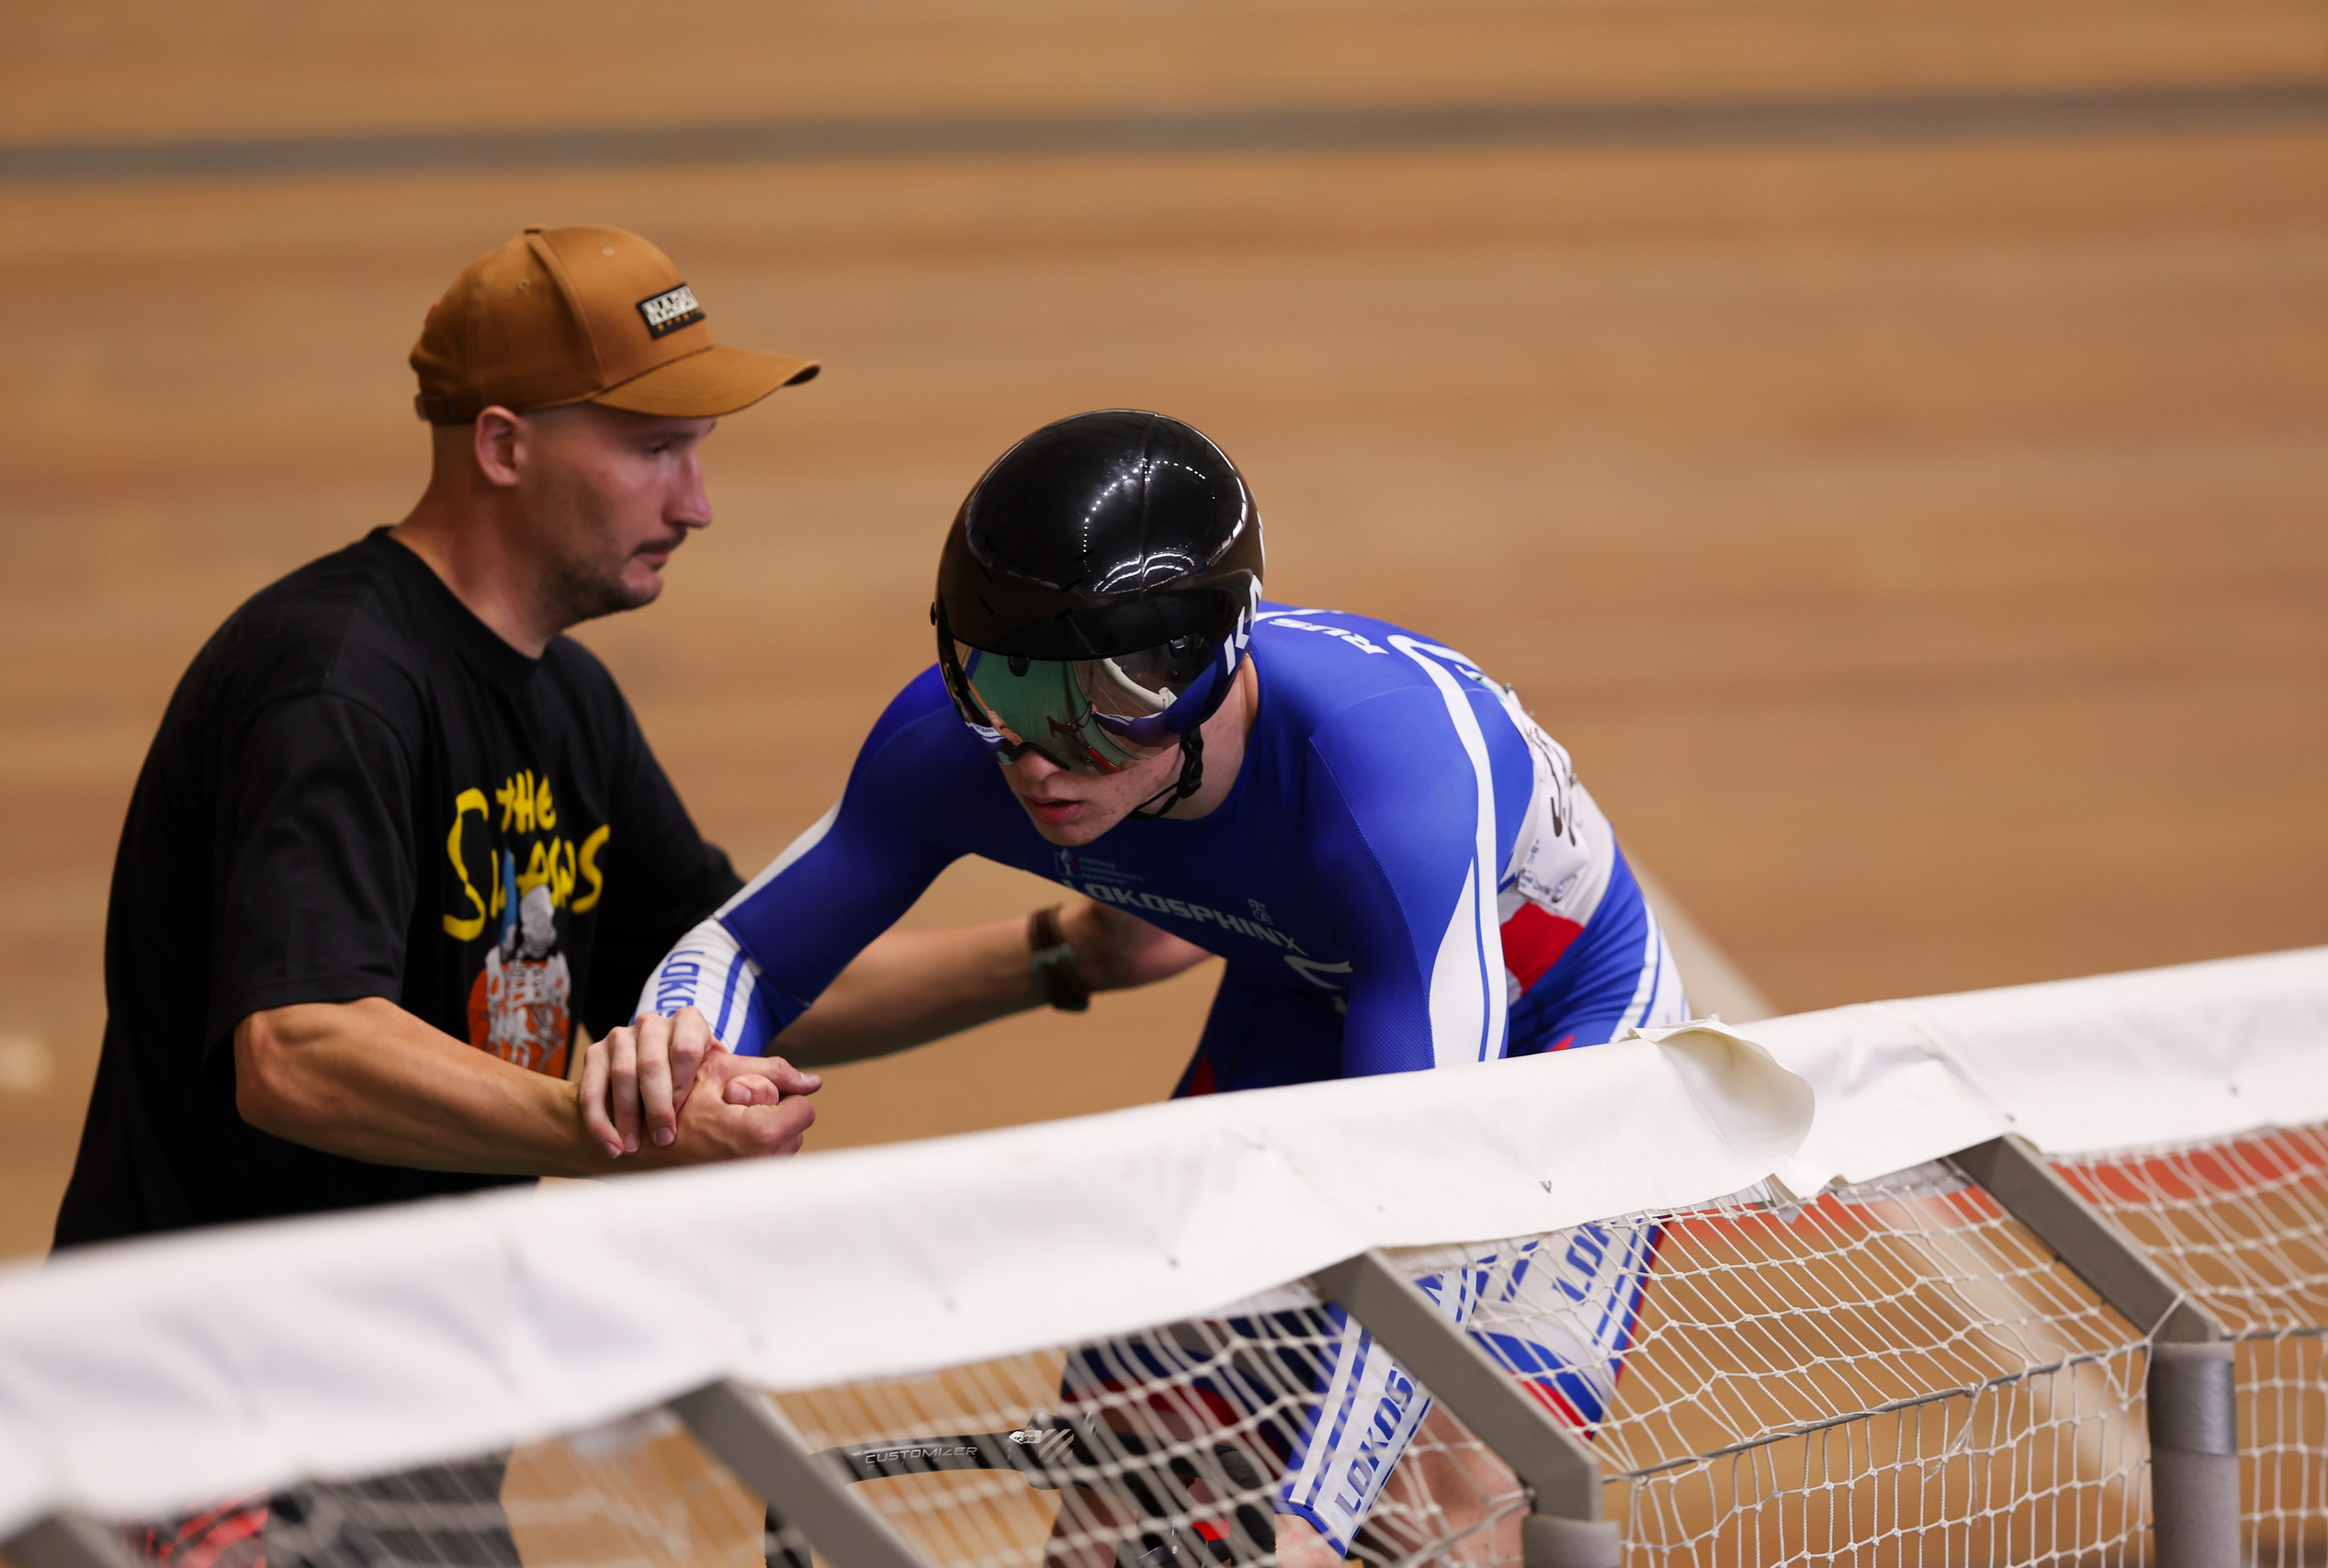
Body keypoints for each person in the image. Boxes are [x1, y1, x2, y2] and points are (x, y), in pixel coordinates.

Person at [596, 410, 1689, 1566]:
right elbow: (744, 954)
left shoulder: (1386, 776)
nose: (1037, 763)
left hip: (1556, 1040)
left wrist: (1311, 1525)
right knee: (1126, 1474)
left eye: (1094, 717)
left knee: (1449, 1484)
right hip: (1311, 1011)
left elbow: (1419, 1225)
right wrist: (675, 1044)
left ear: (1209, 662)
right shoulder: (961, 747)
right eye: (1004, 693)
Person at [51, 223, 836, 1568]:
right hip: (202, 1416)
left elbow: (739, 957)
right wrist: (613, 1127)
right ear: (501, 444)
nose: (696, 500)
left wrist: (1066, 947)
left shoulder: (570, 705)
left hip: (414, 1416)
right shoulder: (337, 682)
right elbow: (296, 1046)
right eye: (654, 446)